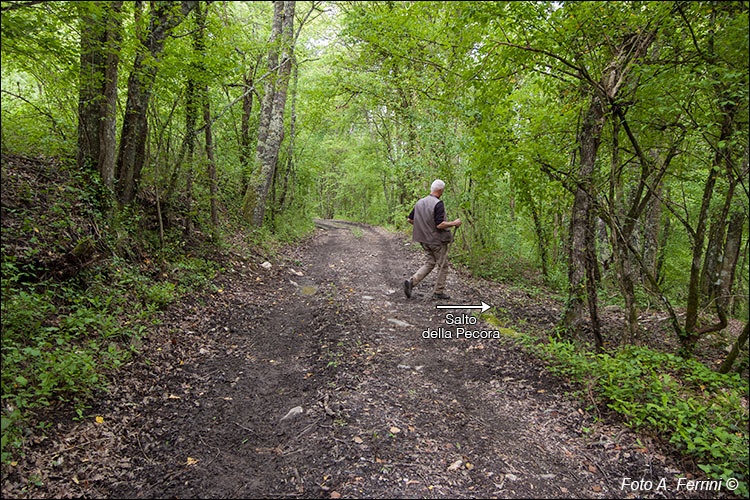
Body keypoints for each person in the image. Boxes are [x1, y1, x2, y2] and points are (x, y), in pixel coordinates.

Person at [404, 179, 461, 300]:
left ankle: (411, 282)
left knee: (430, 262)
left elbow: (410, 219)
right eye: (443, 191)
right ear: (440, 190)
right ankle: (438, 292)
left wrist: (422, 226)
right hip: (436, 241)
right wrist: (454, 223)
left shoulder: (420, 202)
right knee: (443, 265)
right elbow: (439, 225)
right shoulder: (438, 203)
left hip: (423, 240)